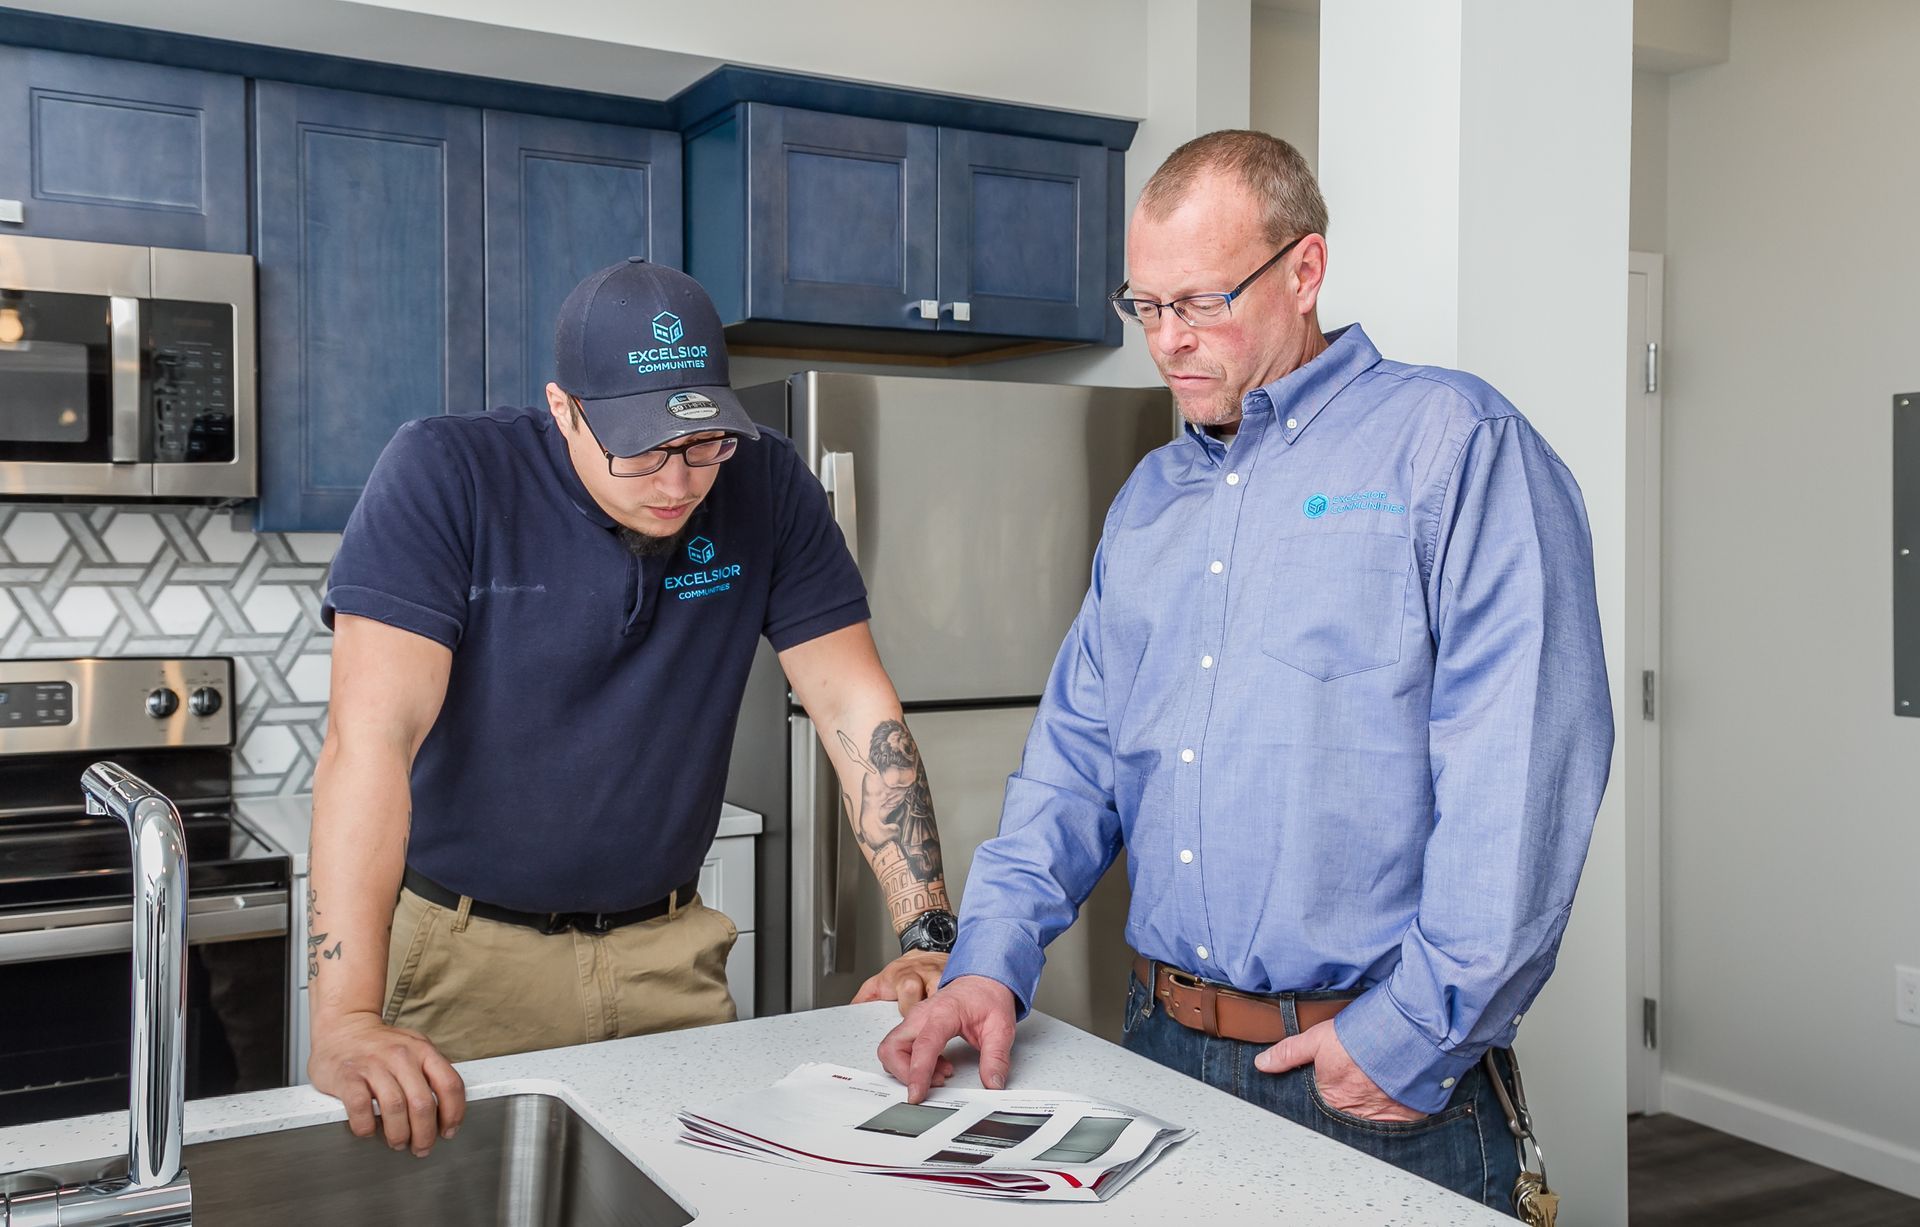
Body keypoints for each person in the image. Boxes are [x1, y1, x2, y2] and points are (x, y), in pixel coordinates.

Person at [878, 130, 1613, 1213]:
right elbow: (1076, 765)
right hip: (1157, 1058)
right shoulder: (1149, 500)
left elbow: (1522, 784)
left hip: (1374, 1085)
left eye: (1201, 303)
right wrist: (988, 962)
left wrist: (1409, 1037)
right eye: (1147, 308)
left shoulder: (1456, 447)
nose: (1169, 343)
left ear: (1304, 270)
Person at [308, 258, 958, 1156]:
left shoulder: (763, 483)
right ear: (563, 409)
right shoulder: (446, 473)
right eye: (643, 447)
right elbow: (370, 741)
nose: (679, 481)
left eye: (703, 444)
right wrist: (344, 1016)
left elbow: (853, 704)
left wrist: (930, 936)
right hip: (464, 961)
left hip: (671, 956)